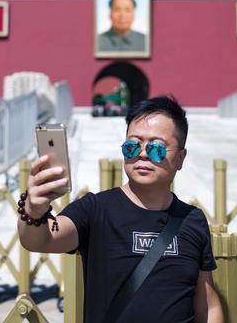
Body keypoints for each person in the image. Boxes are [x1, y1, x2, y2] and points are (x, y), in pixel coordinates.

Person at [17, 96, 223, 322]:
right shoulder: (95, 209)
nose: (142, 154)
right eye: (133, 145)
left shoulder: (192, 219)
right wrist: (33, 210)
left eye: (156, 148)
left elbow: (207, 303)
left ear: (181, 158)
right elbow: (40, 240)